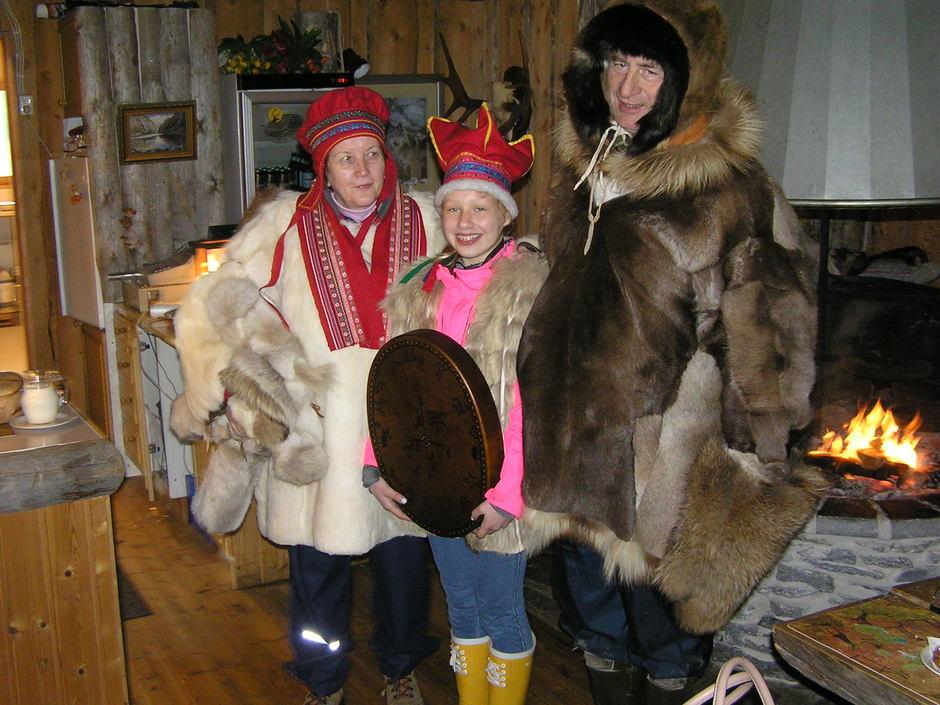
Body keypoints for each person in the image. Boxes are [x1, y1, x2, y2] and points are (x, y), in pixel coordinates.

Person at [516, 3, 827, 705]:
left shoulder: (730, 190)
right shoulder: (588, 166)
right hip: (570, 444)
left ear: (689, 79)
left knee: (664, 636)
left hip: (661, 461)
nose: (626, 87)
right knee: (593, 619)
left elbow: (772, 332)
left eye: (650, 69)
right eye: (616, 64)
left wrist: (758, 454)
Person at [170, 87, 444, 705]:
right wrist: (232, 385)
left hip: (403, 425)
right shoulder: (283, 226)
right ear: (323, 166)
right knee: (317, 568)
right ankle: (323, 679)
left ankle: (401, 668)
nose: (362, 171)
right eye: (346, 159)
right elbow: (215, 305)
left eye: (371, 154)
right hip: (316, 429)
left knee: (405, 561)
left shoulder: (429, 220)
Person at [364, 104, 546, 705]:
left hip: (500, 488)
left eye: (480, 208)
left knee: (500, 608)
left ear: (505, 214)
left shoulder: (529, 289)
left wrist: (509, 497)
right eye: (453, 208)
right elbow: (393, 385)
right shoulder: (421, 286)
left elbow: (532, 403)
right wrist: (376, 463)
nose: (465, 222)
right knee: (460, 604)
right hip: (433, 481)